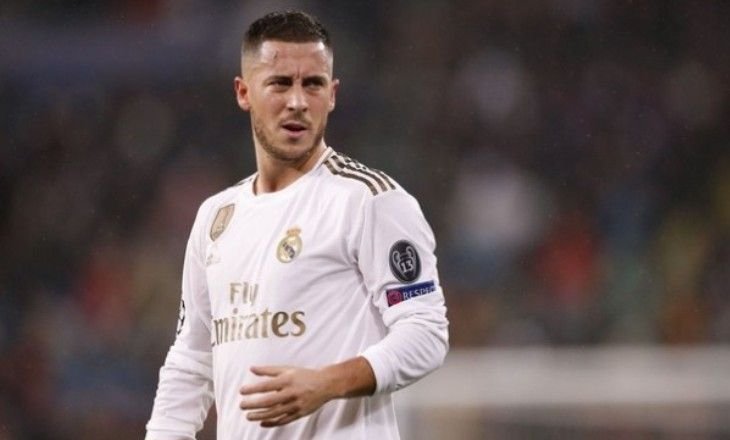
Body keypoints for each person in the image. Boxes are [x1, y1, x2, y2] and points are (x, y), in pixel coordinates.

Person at [145, 10, 448, 440]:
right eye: (281, 83)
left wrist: (326, 383)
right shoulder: (216, 217)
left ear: (333, 94)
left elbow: (425, 332)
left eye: (313, 84)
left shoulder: (370, 201)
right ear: (243, 92)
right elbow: (192, 359)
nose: (298, 102)